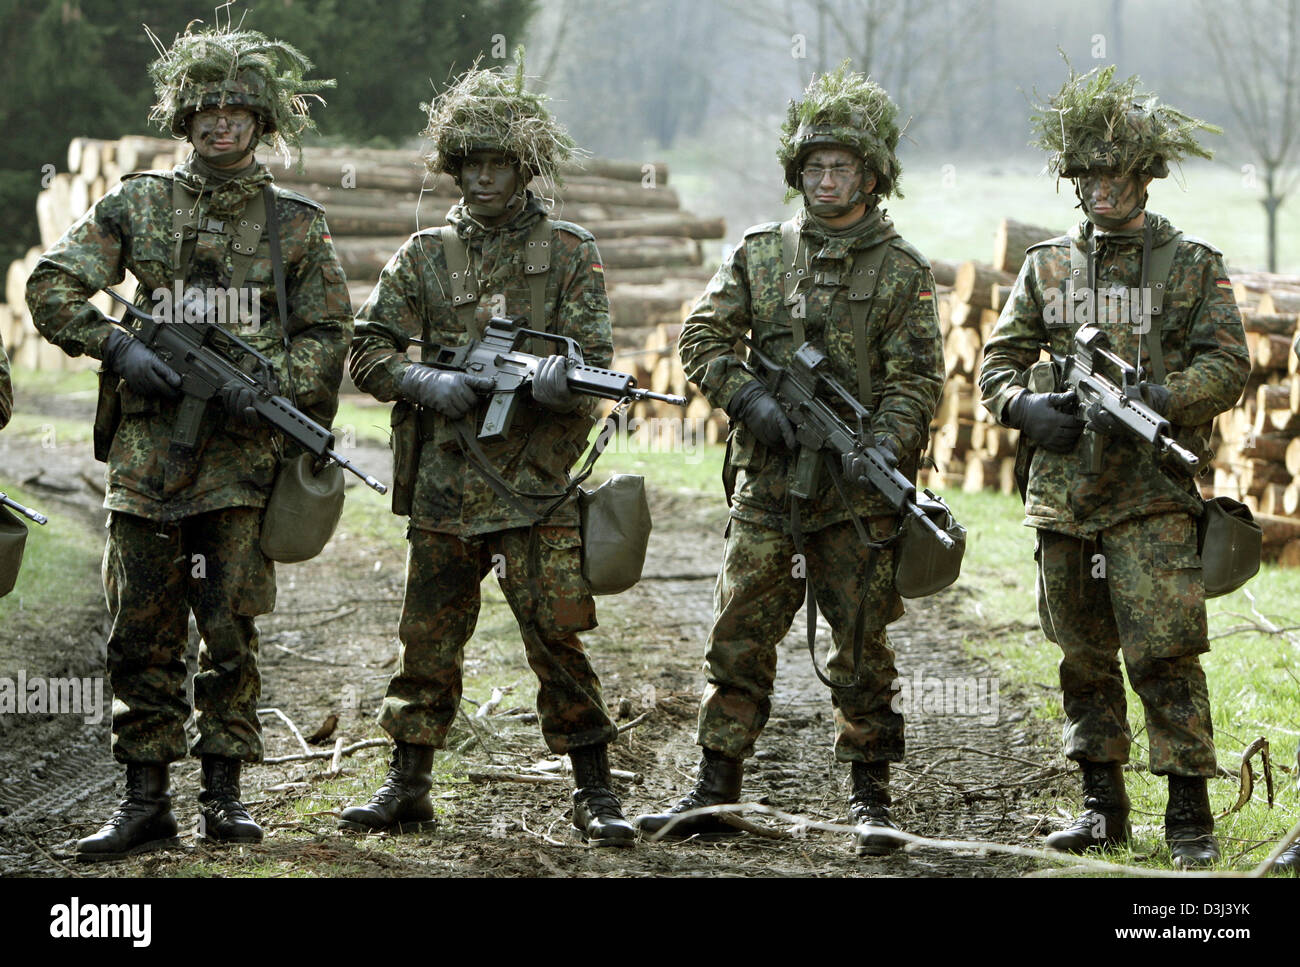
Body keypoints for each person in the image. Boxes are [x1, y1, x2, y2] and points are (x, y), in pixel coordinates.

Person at [26, 24, 351, 861]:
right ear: (184, 120)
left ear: (263, 122)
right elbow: (52, 285)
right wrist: (121, 346)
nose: (221, 127)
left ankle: (227, 798)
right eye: (206, 112)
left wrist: (269, 380)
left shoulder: (296, 226)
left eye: (238, 112)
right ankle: (144, 799)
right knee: (139, 631)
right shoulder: (137, 205)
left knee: (231, 629)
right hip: (144, 465)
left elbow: (329, 334)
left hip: (242, 469)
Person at [637, 64, 944, 855]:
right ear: (795, 173)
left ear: (872, 176)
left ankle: (871, 798)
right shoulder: (761, 254)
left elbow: (918, 378)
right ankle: (714, 788)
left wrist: (880, 444)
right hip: (770, 485)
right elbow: (701, 339)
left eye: (842, 167)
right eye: (814, 167)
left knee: (863, 645)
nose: (827, 179)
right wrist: (751, 402)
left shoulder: (903, 269)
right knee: (739, 632)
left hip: (856, 495)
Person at [342, 54, 634, 847]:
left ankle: (595, 787)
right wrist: (423, 381)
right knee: (428, 637)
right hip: (445, 483)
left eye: (498, 163)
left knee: (557, 633)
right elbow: (364, 350)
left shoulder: (570, 251)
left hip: (536, 487)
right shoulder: (424, 256)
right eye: (469, 164)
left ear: (524, 167)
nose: (482, 179)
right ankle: (408, 782)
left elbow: (596, 361)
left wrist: (555, 382)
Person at [978, 64, 1248, 869]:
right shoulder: (1047, 267)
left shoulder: (1192, 265)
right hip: (1065, 498)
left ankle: (1189, 815)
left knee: (1165, 652)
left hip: (1152, 498)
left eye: (1118, 175)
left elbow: (1230, 364)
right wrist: (1025, 409)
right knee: (1081, 655)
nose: (1103, 190)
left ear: (1145, 176)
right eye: (1089, 175)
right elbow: (997, 362)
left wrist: (1166, 396)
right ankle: (1102, 807)